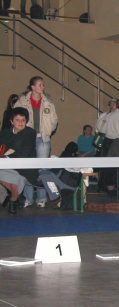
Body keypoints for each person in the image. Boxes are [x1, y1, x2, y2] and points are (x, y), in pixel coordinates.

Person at [14, 76, 58, 208]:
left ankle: (41, 198)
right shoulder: (21, 102)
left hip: (43, 138)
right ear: (32, 87)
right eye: (39, 85)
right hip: (27, 138)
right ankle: (28, 198)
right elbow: (15, 117)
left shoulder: (48, 103)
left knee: (43, 169)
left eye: (43, 85)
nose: (42, 87)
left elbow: (54, 120)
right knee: (28, 167)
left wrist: (48, 130)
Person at [0, 107, 37, 214]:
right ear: (11, 121)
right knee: (12, 179)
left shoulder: (30, 133)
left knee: (15, 180)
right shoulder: (5, 133)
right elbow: (2, 150)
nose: (21, 122)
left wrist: (8, 154)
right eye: (17, 120)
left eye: (23, 120)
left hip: (24, 167)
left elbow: (24, 153)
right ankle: (14, 199)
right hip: (6, 165)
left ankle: (13, 199)